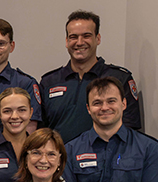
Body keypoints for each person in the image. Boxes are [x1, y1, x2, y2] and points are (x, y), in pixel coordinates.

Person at [40, 10, 142, 143]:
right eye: (73, 37)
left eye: (86, 36)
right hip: (59, 160)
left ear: (98, 38)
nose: (79, 42)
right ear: (66, 41)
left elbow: (130, 128)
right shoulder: (49, 82)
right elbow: (41, 132)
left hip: (105, 161)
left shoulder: (119, 78)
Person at [0, 19, 41, 132]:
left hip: (8, 149)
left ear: (11, 46)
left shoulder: (25, 83)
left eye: (0, 44)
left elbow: (29, 131)